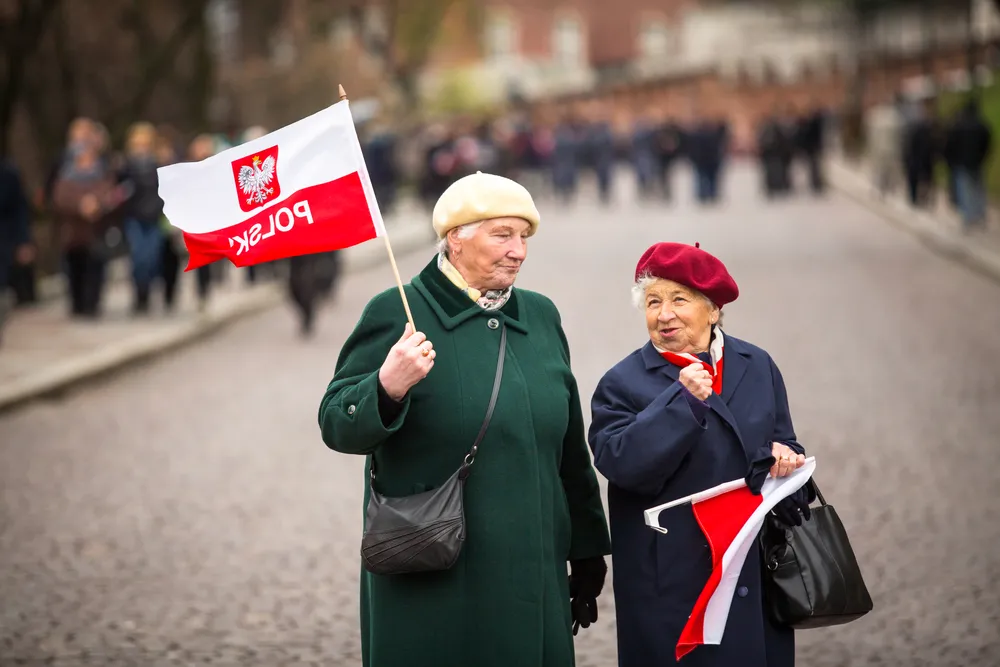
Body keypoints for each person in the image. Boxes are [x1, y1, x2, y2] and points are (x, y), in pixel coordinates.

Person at [318, 172, 612, 667]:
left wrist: (586, 548)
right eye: (503, 234)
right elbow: (336, 422)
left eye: (524, 237)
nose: (518, 250)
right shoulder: (398, 311)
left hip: (532, 569)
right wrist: (386, 387)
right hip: (435, 575)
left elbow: (567, 450)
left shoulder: (540, 315)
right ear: (456, 237)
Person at [588, 241, 811, 667]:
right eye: (653, 302)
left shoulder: (756, 364)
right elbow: (621, 463)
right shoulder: (621, 383)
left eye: (679, 299)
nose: (664, 314)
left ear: (712, 310)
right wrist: (682, 403)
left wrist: (787, 456)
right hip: (673, 586)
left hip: (752, 574)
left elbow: (786, 442)